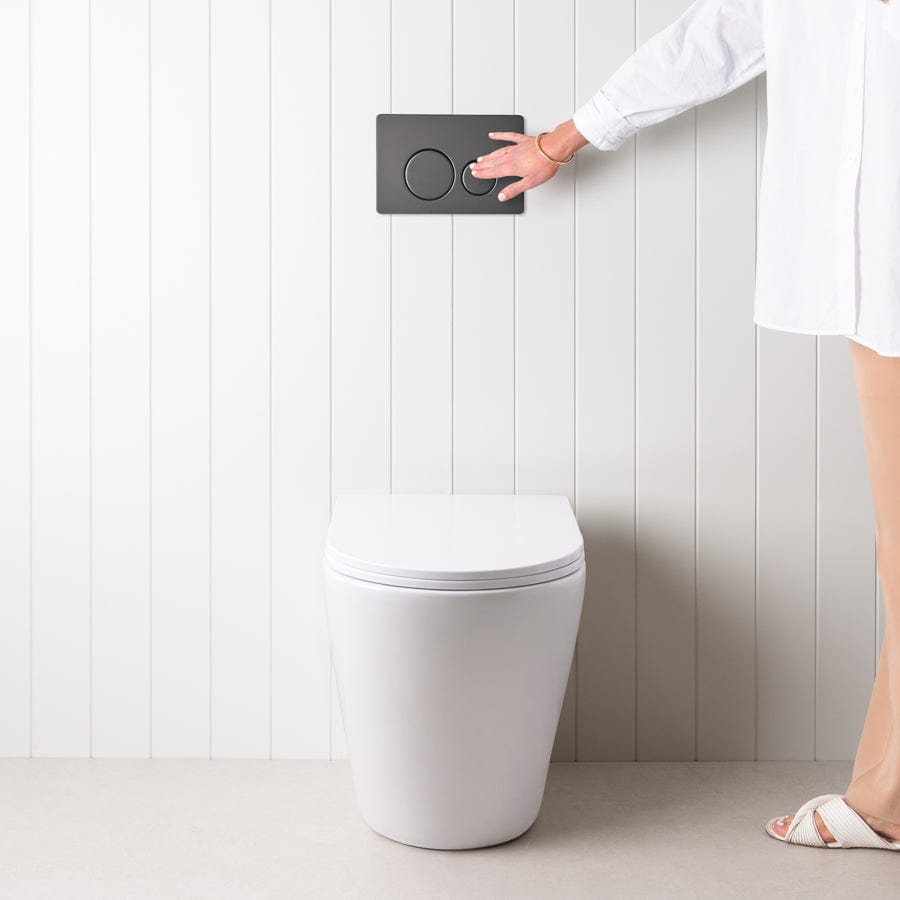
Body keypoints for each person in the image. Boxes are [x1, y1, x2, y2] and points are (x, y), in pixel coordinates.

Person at [470, 0, 900, 851]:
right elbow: (712, 41)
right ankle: (886, 795)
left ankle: (886, 799)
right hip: (878, 265)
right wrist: (563, 138)